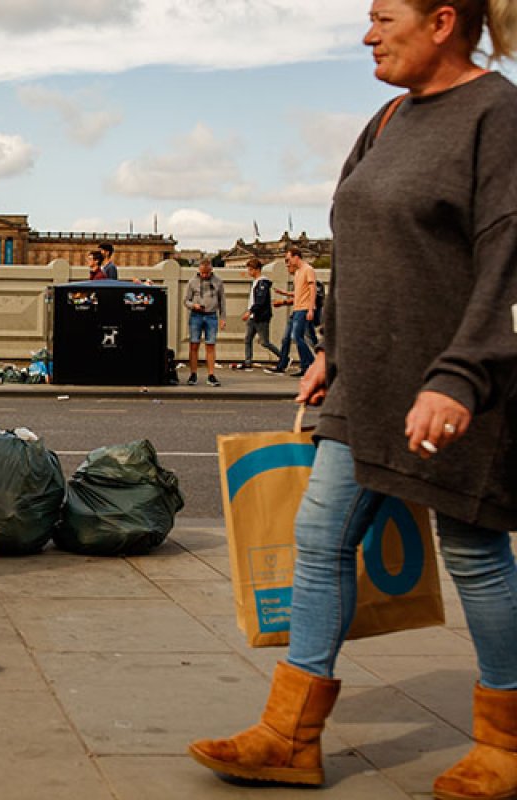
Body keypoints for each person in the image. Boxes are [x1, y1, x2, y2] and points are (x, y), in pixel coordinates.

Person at [189, 3, 517, 799]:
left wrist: (460, 376)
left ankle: (506, 746)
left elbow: (509, 253)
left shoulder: (497, 115)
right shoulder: (387, 118)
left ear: (442, 21)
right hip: (364, 383)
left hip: (453, 385)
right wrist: (330, 349)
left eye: (382, 17)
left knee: (473, 554)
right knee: (320, 537)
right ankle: (289, 737)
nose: (367, 34)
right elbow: (358, 245)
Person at [264, 247, 317, 376]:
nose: (288, 262)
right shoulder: (298, 273)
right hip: (296, 309)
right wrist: (285, 293)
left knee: (297, 337)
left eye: (289, 259)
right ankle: (283, 365)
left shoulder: (308, 270)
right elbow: (300, 292)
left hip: (303, 309)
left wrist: (310, 309)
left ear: (296, 257)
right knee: (286, 338)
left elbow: (312, 289)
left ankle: (310, 365)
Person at [182, 258, 226, 386]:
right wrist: (193, 305)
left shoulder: (218, 282)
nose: (205, 275)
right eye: (202, 273)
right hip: (196, 315)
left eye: (207, 273)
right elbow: (186, 300)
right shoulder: (192, 282)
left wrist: (223, 318)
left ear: (211, 270)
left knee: (210, 345)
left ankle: (211, 374)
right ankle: (193, 373)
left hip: (212, 315)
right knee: (194, 345)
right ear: (199, 270)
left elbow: (222, 301)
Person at [234, 257, 282, 370]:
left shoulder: (262, 283)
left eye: (250, 269)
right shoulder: (255, 282)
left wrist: (250, 311)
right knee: (248, 338)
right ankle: (248, 361)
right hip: (253, 316)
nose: (248, 272)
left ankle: (284, 357)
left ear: (256, 269)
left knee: (265, 342)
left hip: (260, 317)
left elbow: (260, 301)